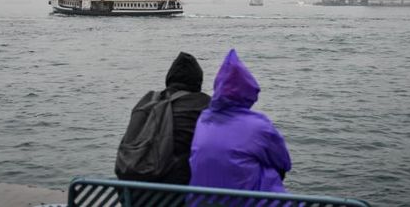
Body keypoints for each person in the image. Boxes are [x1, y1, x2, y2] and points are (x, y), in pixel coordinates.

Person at [189, 49, 291, 192]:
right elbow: (284, 163)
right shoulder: (259, 125)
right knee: (269, 168)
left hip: (201, 200)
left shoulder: (203, 120)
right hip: (246, 201)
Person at [115, 52, 210, 184]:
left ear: (169, 79)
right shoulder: (202, 105)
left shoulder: (146, 102)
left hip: (131, 194)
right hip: (172, 196)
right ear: (198, 82)